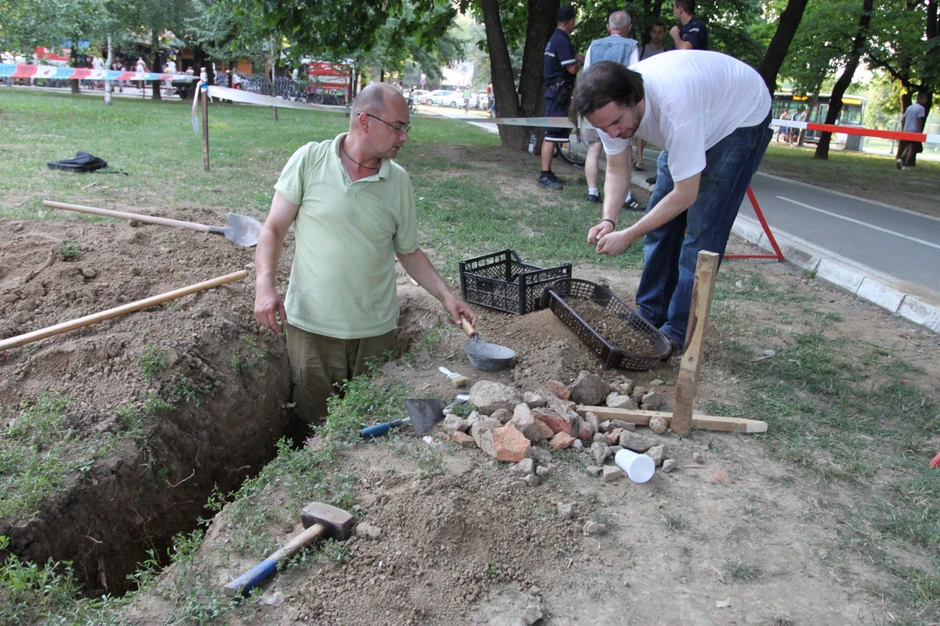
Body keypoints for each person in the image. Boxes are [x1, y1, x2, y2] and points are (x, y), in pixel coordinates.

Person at [254, 83, 477, 423]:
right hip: (313, 328)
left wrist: (447, 297)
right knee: (313, 424)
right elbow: (273, 229)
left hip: (374, 332)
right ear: (365, 121)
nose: (404, 137)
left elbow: (409, 251)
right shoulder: (310, 160)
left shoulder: (398, 181)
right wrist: (264, 286)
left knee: (366, 426)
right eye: (398, 127)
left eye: (406, 128)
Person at [571, 52, 772, 358]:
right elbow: (616, 169)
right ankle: (649, 314)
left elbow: (685, 195)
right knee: (661, 226)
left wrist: (628, 235)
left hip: (739, 118)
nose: (613, 134)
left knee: (702, 235)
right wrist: (609, 220)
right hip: (698, 115)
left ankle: (678, 331)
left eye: (616, 123)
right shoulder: (606, 111)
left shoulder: (676, 108)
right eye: (604, 128)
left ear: (634, 99)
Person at [581, 10, 643, 211]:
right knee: (621, 152)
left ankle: (593, 191)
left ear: (608, 27)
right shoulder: (631, 46)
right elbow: (635, 75)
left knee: (594, 149)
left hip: (594, 107)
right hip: (617, 110)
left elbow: (586, 75)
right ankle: (626, 196)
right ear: (629, 28)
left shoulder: (594, 46)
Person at [538, 5, 585, 190]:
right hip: (558, 93)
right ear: (571, 21)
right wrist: (579, 61)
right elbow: (571, 68)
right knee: (551, 134)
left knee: (555, 133)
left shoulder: (554, 39)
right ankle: (544, 175)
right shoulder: (562, 40)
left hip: (556, 92)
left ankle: (547, 172)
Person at [634, 19, 667, 171]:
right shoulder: (641, 51)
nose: (656, 35)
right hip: (643, 92)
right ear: (650, 32)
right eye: (654, 31)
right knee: (642, 123)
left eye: (659, 32)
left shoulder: (666, 54)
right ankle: (639, 157)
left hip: (659, 93)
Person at [898, 93, 929, 170]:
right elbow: (919, 120)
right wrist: (920, 130)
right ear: (920, 99)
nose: (926, 101)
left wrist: (904, 128)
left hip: (906, 130)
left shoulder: (909, 107)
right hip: (914, 130)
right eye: (924, 99)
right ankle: (905, 165)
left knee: (908, 146)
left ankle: (901, 159)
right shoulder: (921, 108)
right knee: (912, 148)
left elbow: (904, 119)